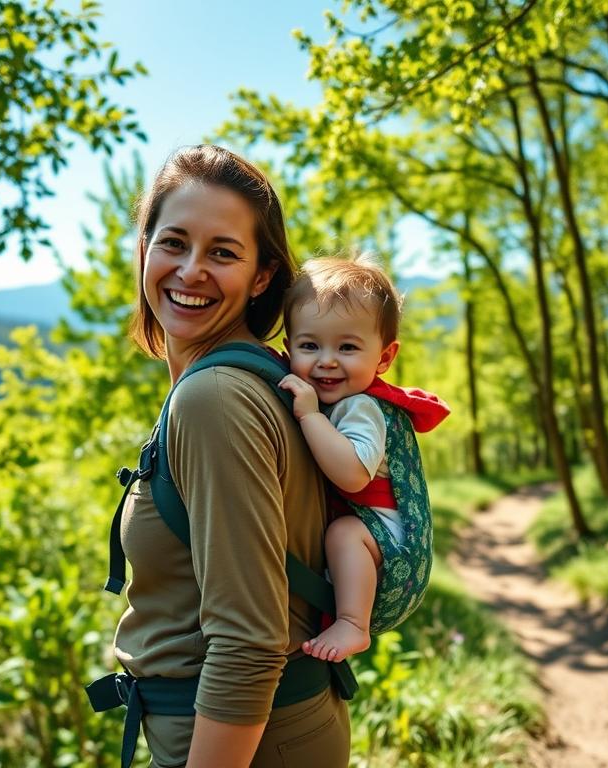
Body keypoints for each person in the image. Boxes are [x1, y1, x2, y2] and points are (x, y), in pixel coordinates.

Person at [112, 145, 350, 767]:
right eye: (173, 243)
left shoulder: (214, 398)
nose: (191, 270)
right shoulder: (262, 377)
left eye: (223, 252)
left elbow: (249, 641)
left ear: (262, 276)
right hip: (278, 730)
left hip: (238, 741)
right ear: (143, 249)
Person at [278, 255, 450, 663]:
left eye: (348, 347)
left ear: (385, 358)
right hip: (388, 548)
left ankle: (352, 625)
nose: (327, 360)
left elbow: (353, 474)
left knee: (343, 533)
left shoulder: (361, 408)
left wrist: (308, 416)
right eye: (309, 345)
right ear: (288, 349)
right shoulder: (351, 398)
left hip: (391, 553)